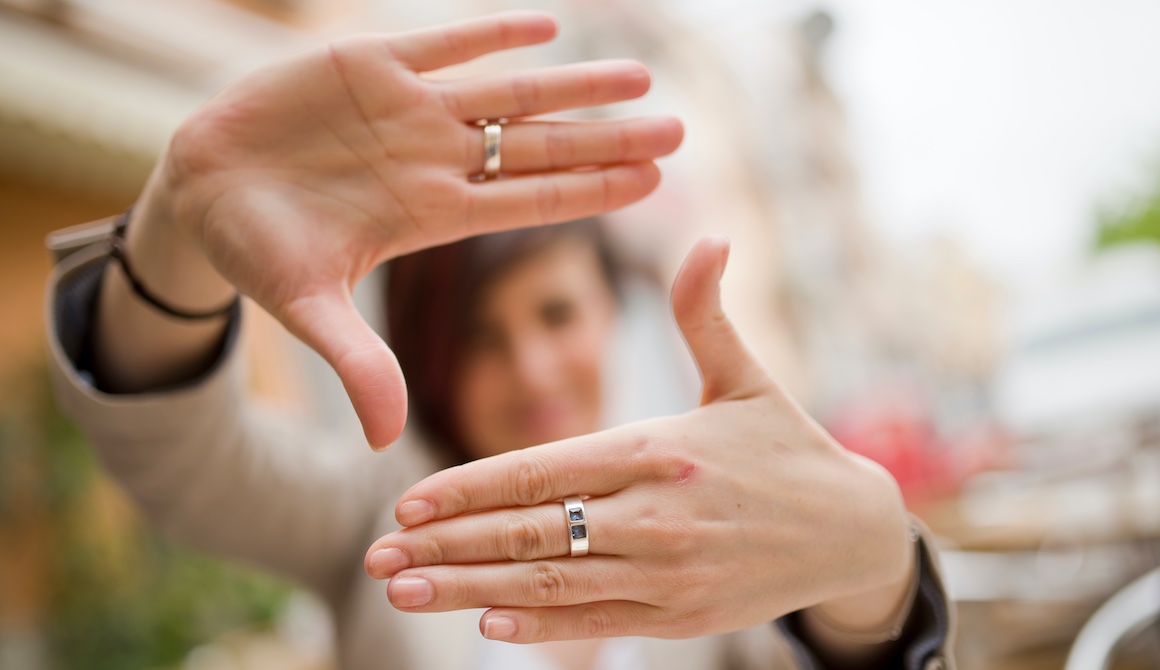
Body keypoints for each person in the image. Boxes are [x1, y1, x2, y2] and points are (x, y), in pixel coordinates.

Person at [45, 11, 954, 670]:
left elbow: (835, 643)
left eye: (556, 314)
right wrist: (174, 228)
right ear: (432, 353)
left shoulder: (702, 499)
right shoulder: (379, 513)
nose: (530, 368)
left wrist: (879, 573)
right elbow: (177, 460)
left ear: (610, 310)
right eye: (482, 336)